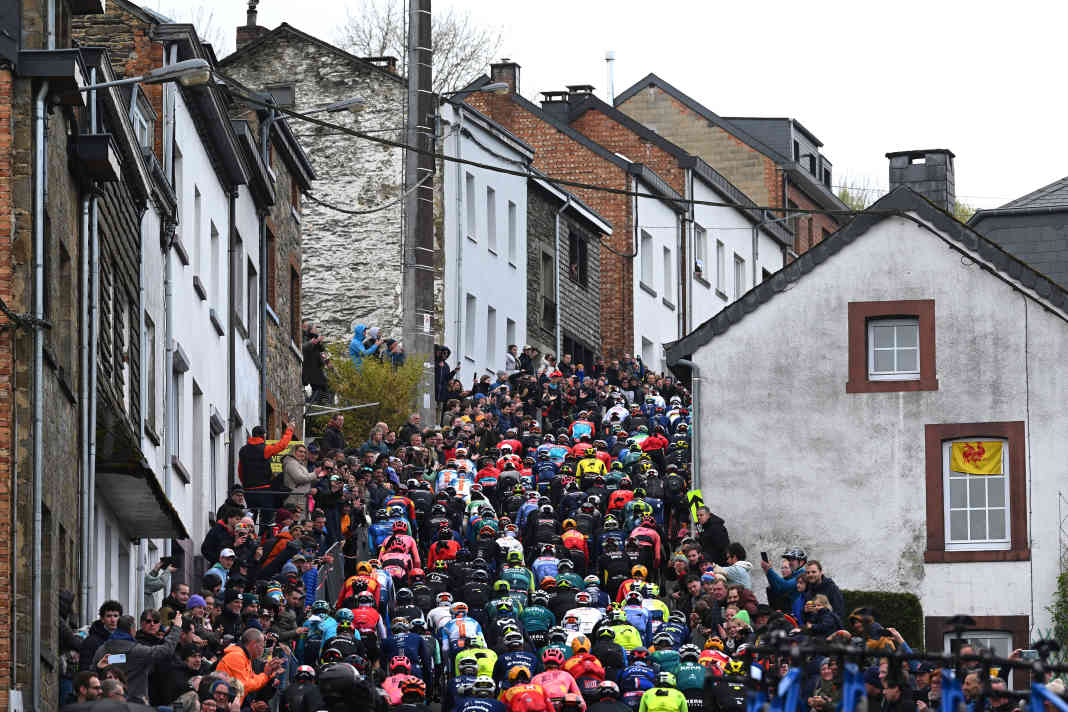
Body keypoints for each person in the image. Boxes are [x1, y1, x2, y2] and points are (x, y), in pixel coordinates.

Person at [91, 612, 183, 704]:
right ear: (132, 630)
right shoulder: (137, 651)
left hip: (106, 703)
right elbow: (166, 651)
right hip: (135, 703)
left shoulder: (102, 649)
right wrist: (176, 628)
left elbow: (96, 671)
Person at [238, 420, 294, 525]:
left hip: (248, 491)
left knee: (250, 518)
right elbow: (282, 445)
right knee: (267, 519)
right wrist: (289, 430)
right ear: (264, 436)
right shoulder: (265, 449)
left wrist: (245, 485)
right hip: (264, 490)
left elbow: (240, 470)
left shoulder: (243, 450)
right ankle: (263, 538)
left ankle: (249, 536)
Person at [215, 628, 285, 706]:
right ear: (254, 644)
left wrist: (269, 673)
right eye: (262, 646)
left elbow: (252, 679)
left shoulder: (245, 657)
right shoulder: (236, 656)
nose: (263, 650)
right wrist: (265, 675)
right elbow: (244, 686)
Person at [79, 600, 122, 672]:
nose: (113, 620)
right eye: (109, 616)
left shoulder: (123, 639)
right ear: (102, 619)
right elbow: (84, 668)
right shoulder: (91, 641)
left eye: (115, 616)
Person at [302, 320, 330, 405]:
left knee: (324, 385)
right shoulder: (306, 338)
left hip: (318, 366)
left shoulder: (316, 338)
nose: (316, 330)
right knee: (317, 387)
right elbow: (304, 348)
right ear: (310, 330)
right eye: (315, 328)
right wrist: (313, 342)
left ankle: (324, 402)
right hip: (311, 368)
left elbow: (322, 350)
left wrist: (327, 360)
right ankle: (314, 404)